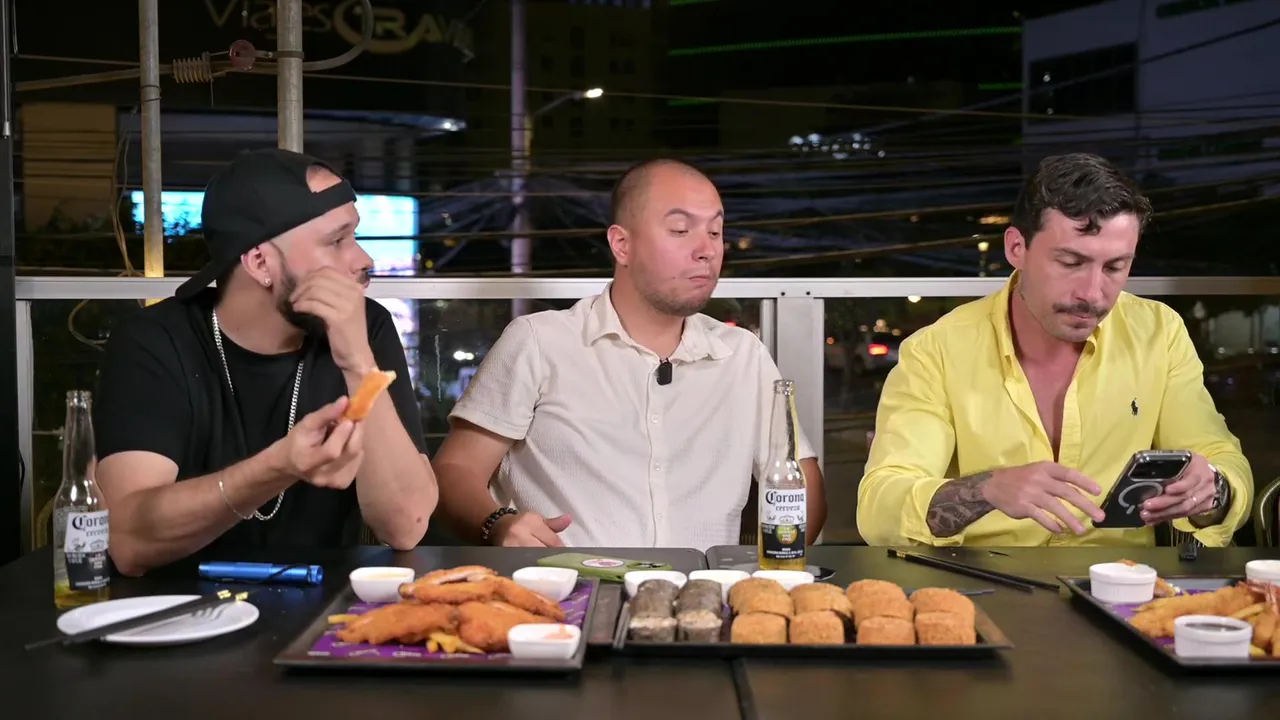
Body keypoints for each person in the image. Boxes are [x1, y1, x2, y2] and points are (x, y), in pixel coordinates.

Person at [857, 153, 1251, 548]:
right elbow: (879, 509)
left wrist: (1209, 491)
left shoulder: (1158, 333)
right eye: (1070, 262)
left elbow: (1224, 463)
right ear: (1017, 248)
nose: (1092, 294)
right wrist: (987, 488)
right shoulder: (937, 350)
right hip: (981, 579)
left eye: (1115, 267)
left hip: (1121, 580)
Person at [433, 158, 827, 549]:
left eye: (715, 231)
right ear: (622, 245)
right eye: (680, 230)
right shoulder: (540, 341)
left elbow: (802, 484)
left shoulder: (743, 356)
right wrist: (498, 525)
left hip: (703, 587)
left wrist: (767, 574)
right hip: (568, 582)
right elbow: (455, 470)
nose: (707, 250)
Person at [94, 149, 438, 576]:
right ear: (260, 262)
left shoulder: (364, 328)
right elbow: (129, 542)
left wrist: (357, 362)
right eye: (337, 241)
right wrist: (279, 466)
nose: (363, 259)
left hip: (325, 605)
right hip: (176, 605)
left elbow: (406, 526)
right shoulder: (156, 341)